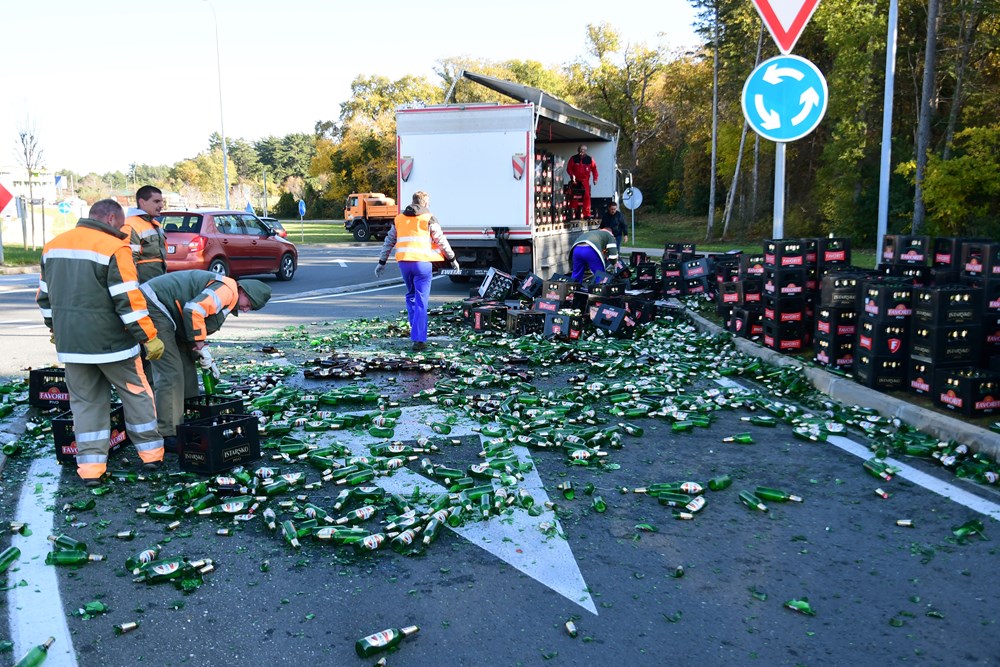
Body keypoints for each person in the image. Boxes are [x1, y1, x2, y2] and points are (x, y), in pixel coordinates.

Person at [36, 199, 167, 486]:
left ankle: (91, 470)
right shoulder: (113, 248)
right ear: (110, 219)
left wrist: (55, 328)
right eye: (120, 225)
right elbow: (129, 301)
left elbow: (45, 298)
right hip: (113, 345)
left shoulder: (53, 246)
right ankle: (152, 456)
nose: (123, 230)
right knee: (136, 394)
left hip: (72, 346)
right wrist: (149, 336)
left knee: (86, 404)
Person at [140, 270, 271, 447]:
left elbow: (195, 321)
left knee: (187, 366)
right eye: (249, 304)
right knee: (171, 372)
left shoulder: (229, 297)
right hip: (154, 305)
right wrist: (199, 342)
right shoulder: (227, 290)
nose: (246, 309)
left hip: (169, 314)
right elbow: (194, 309)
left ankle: (189, 417)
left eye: (251, 308)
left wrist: (199, 352)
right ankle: (168, 433)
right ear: (243, 291)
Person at [375, 191, 459, 351]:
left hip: (404, 263)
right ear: (425, 203)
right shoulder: (429, 218)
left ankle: (415, 330)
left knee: (411, 296)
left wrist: (382, 262)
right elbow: (441, 240)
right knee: (421, 300)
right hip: (422, 264)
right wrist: (452, 259)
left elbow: (389, 240)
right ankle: (419, 339)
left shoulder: (399, 218)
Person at [121, 185, 167, 283]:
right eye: (156, 201)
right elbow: (127, 263)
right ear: (142, 202)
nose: (161, 205)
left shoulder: (155, 224)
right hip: (143, 287)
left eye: (161, 201)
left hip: (156, 284)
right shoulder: (130, 226)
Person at [566, 144, 599, 218]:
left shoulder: (589, 159)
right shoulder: (573, 158)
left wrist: (595, 179)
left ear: (585, 151)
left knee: (586, 196)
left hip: (585, 181)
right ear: (578, 150)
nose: (582, 151)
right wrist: (572, 175)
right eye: (581, 150)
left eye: (583, 150)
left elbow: (594, 170)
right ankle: (573, 212)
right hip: (575, 180)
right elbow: (569, 168)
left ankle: (586, 214)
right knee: (573, 196)